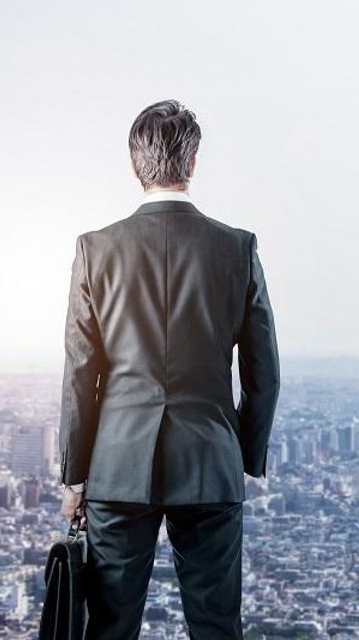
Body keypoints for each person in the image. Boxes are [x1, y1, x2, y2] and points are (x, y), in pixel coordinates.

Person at [56, 99, 280, 639]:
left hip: (116, 467)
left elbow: (82, 374)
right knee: (217, 627)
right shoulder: (236, 248)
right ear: (193, 164)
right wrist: (241, 455)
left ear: (135, 165)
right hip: (210, 463)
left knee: (108, 627)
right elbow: (263, 370)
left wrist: (74, 475)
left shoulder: (96, 249)